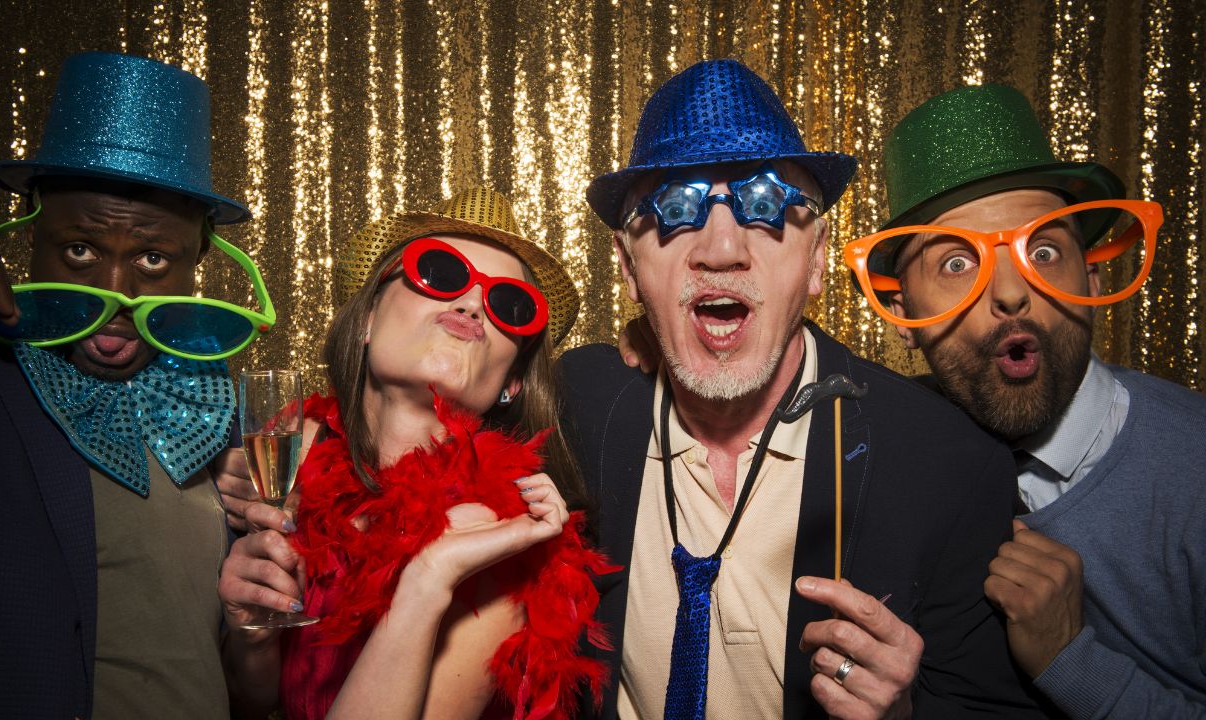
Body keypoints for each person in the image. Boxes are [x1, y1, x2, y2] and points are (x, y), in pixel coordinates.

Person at [565, 58, 1048, 719]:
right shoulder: (577, 404)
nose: (723, 248)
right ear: (627, 265)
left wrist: (905, 711)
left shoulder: (949, 466)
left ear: (817, 258)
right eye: (676, 210)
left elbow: (994, 708)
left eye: (766, 206)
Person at [843, 83, 1206, 719]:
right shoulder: (881, 446)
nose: (1010, 293)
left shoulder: (1194, 468)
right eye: (957, 264)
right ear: (902, 314)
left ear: (1091, 276)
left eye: (1043, 251)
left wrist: (1070, 660)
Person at [0, 52, 265, 718]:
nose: (115, 294)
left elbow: (249, 690)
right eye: (80, 249)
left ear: (200, 257)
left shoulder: (222, 426)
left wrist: (256, 622)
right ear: (29, 238)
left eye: (152, 257)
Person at [217, 186, 615, 720]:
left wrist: (430, 576)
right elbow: (254, 702)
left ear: (512, 382)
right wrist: (253, 635)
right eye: (442, 272)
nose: (473, 303)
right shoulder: (292, 459)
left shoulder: (497, 543)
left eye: (509, 306)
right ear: (365, 322)